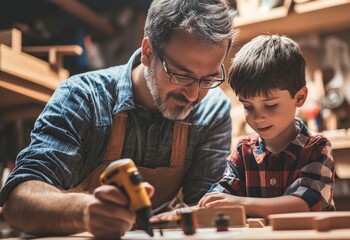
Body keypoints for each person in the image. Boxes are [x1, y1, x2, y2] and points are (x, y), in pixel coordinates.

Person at [1, 0, 236, 238]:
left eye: (208, 79)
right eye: (181, 75)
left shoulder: (212, 111)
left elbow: (206, 207)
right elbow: (19, 200)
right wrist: (85, 212)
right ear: (148, 52)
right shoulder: (84, 97)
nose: (194, 95)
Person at [198, 35, 335, 217]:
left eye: (270, 105)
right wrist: (203, 205)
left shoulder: (317, 148)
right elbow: (222, 193)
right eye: (248, 106)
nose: (258, 117)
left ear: (299, 97)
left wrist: (241, 204)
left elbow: (302, 205)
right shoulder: (243, 152)